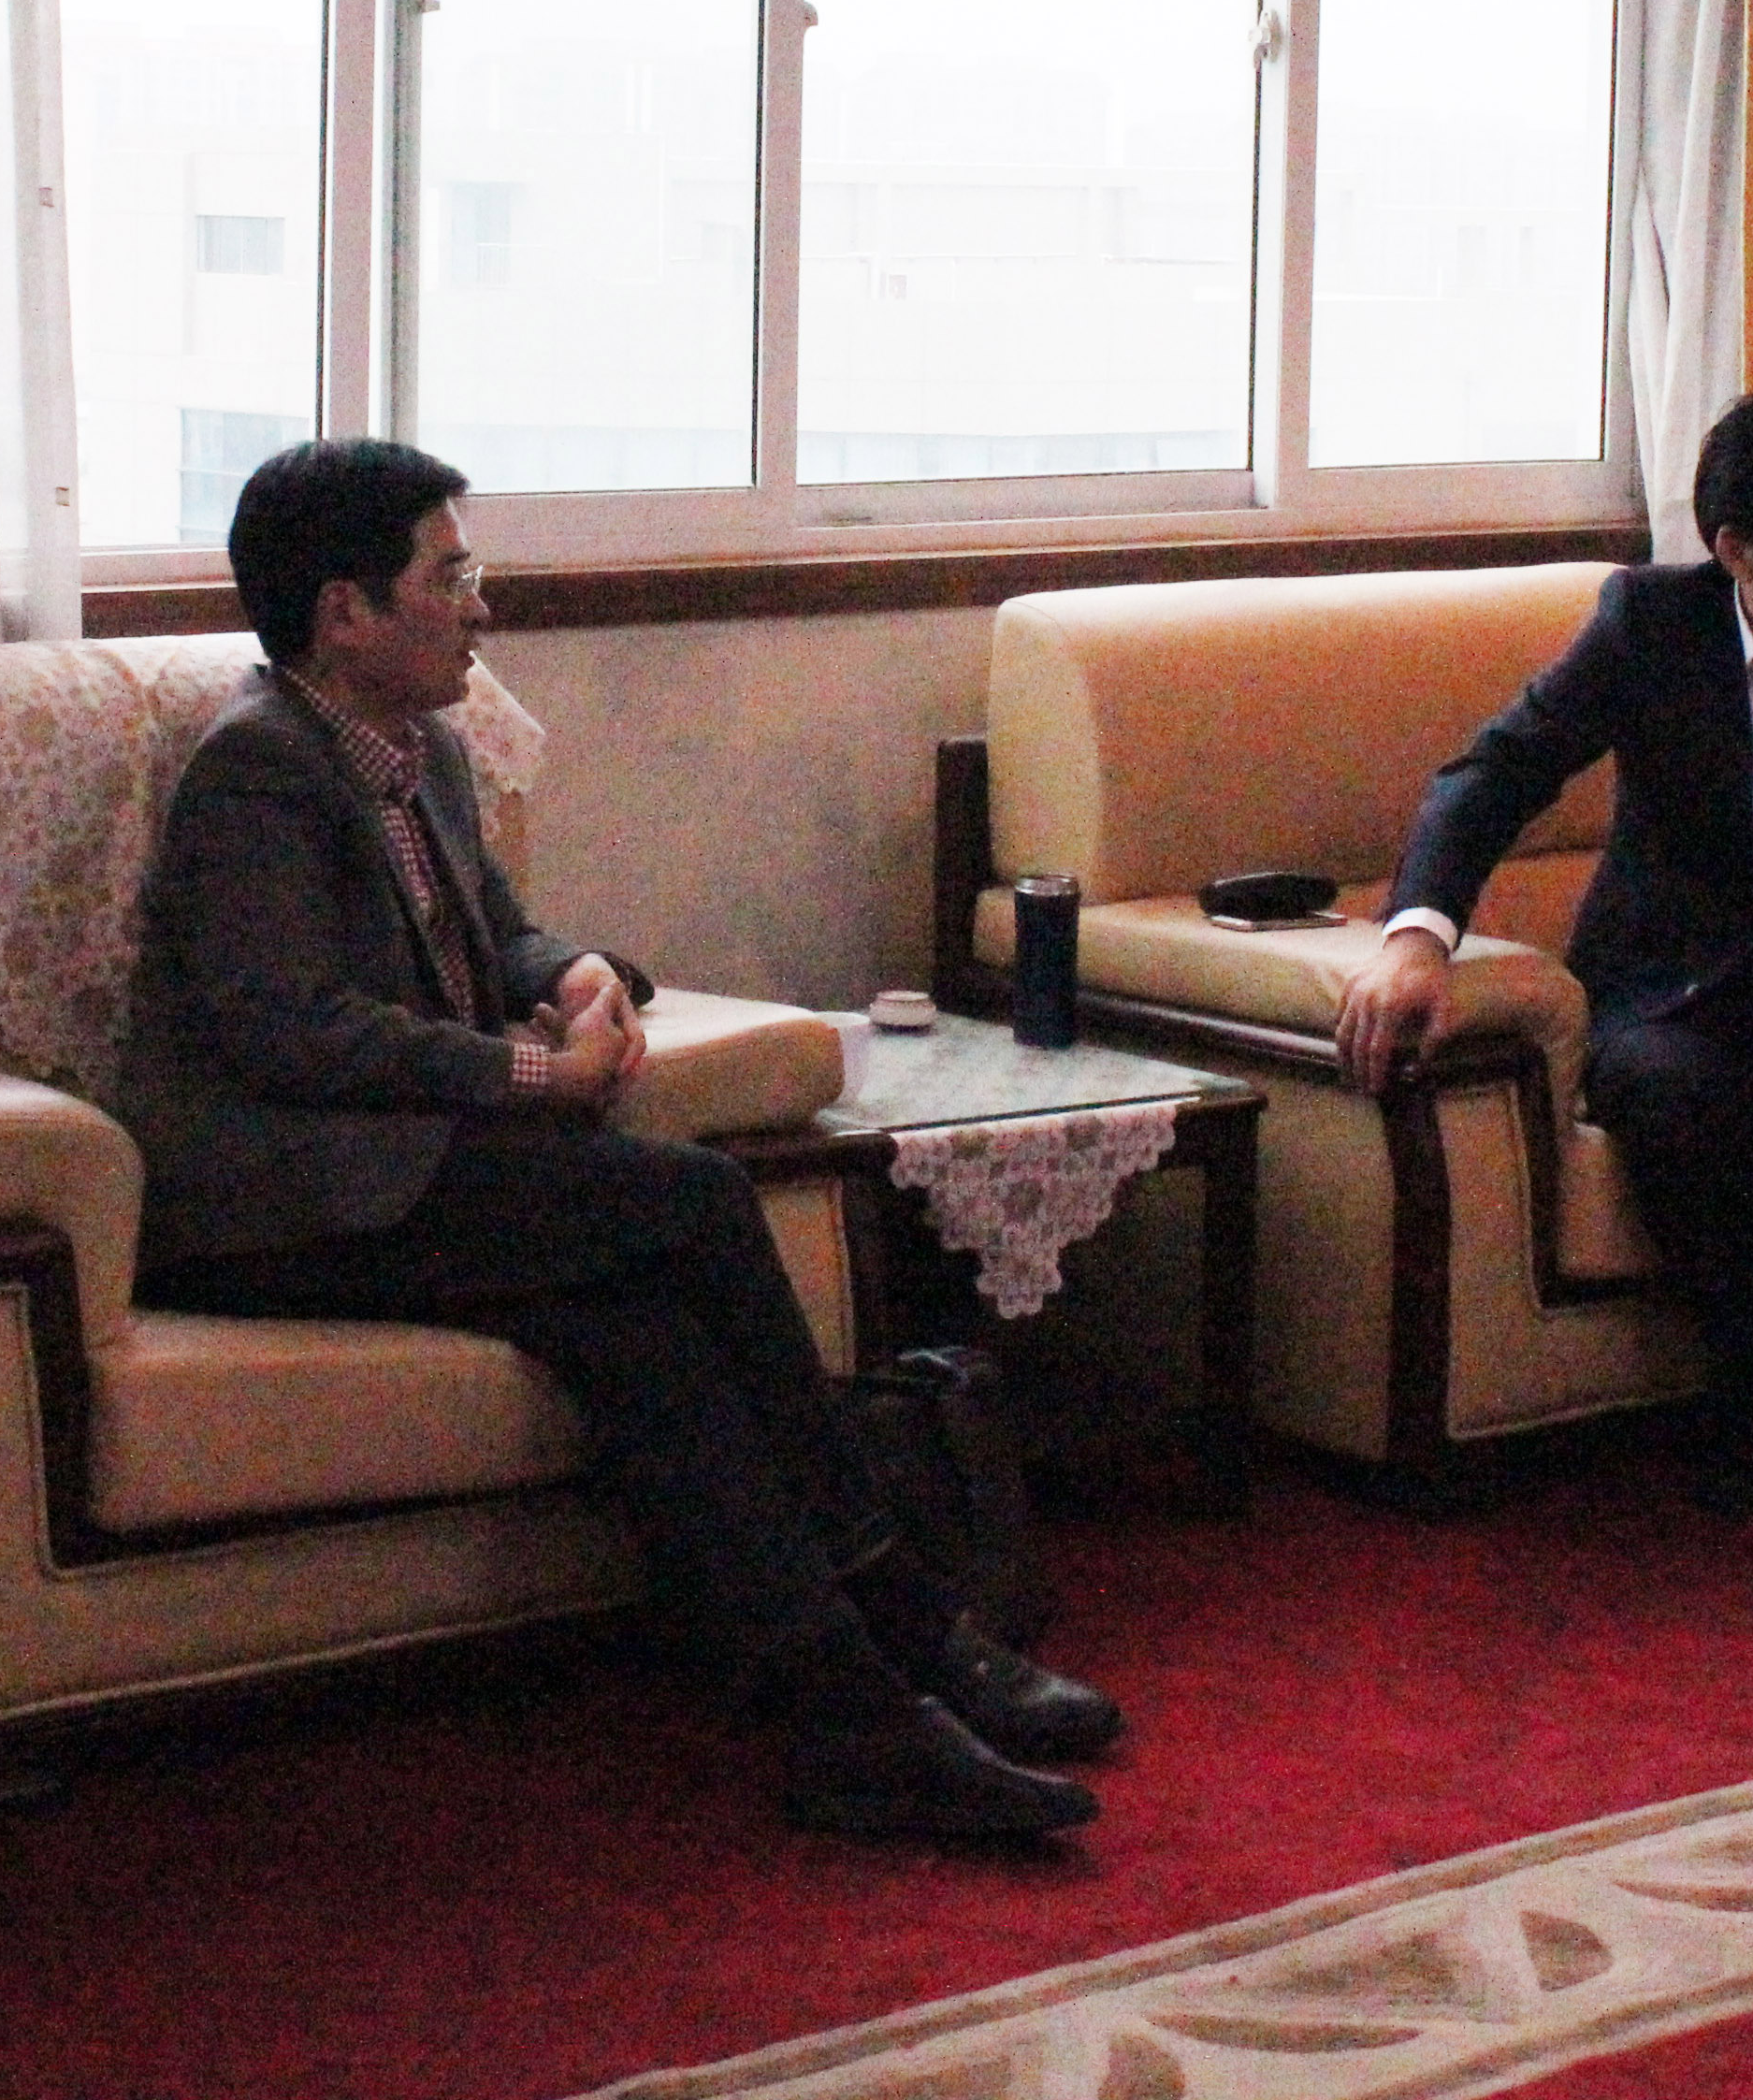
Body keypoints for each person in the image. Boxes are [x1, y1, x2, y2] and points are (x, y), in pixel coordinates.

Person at [114, 438, 1115, 1843]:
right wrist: (536, 1072)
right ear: (344, 612)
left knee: (643, 1340)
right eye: (449, 577)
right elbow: (289, 1031)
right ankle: (909, 1615)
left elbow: (499, 932)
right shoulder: (260, 771)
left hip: (413, 1173)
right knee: (695, 1201)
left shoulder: (424, 749)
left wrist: (583, 973)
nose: (481, 608)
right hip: (281, 1208)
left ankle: (851, 1723)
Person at [1334, 382, 1753, 1517]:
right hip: (1686, 985)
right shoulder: (1651, 628)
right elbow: (1493, 776)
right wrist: (1417, 938)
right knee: (1667, 1090)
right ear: (1738, 549)